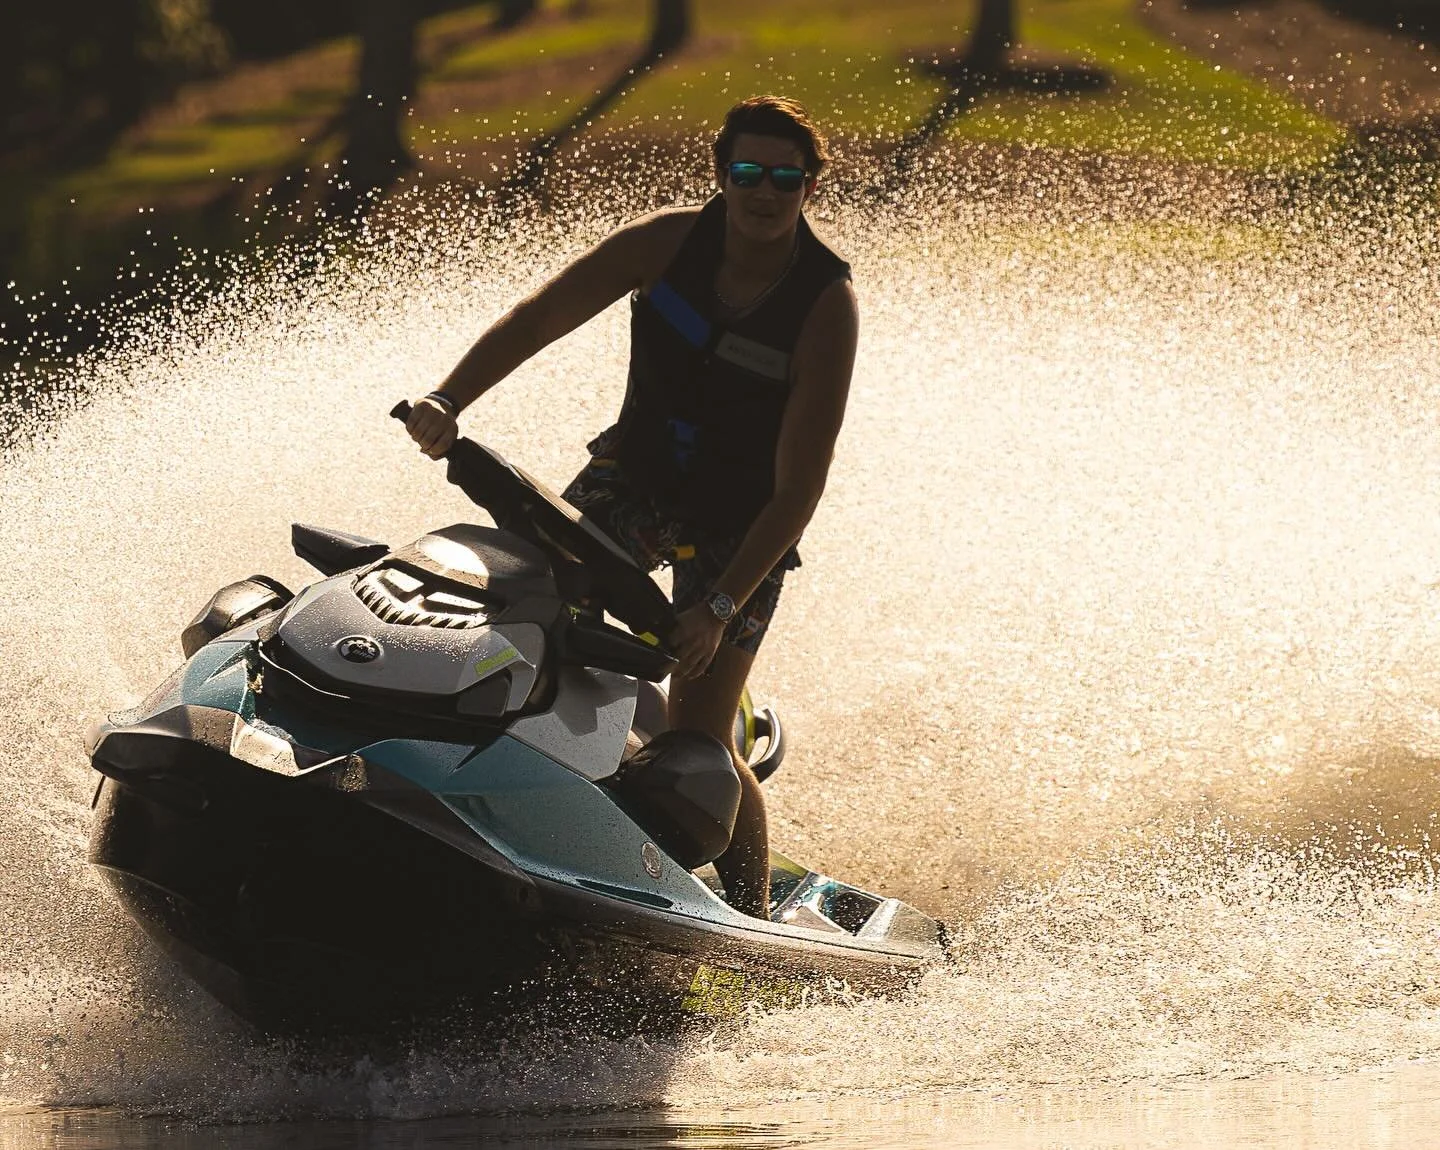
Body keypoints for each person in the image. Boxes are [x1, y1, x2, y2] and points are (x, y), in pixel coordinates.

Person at [405, 95, 858, 919]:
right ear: (720, 175)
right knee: (524, 618)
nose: (764, 192)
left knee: (697, 740)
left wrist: (719, 608)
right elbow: (538, 319)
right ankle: (477, 795)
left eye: (785, 179)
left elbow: (800, 489)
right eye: (748, 172)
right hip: (635, 483)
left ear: (809, 188)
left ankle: (751, 917)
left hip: (740, 531)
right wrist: (448, 398)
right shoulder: (662, 243)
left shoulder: (826, 304)